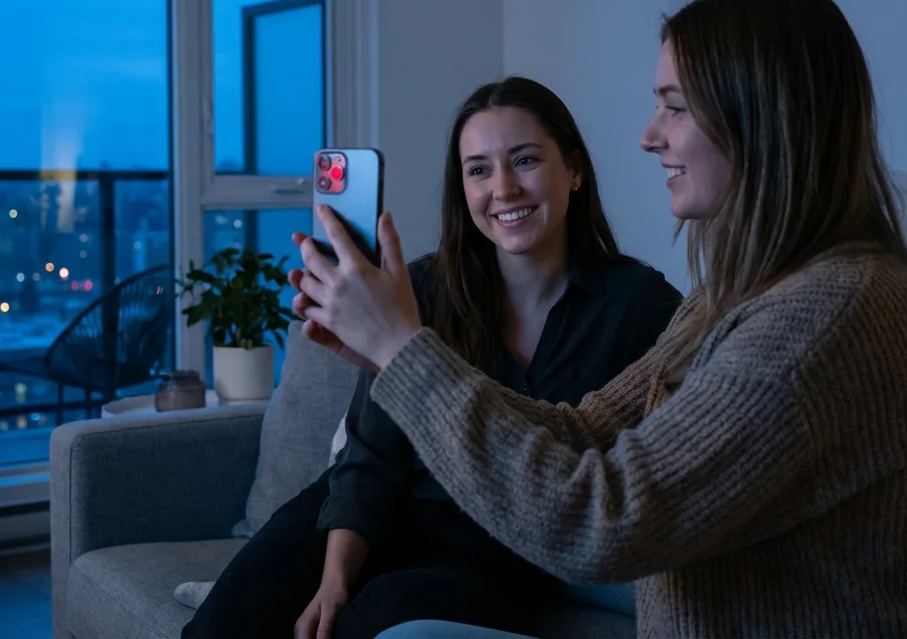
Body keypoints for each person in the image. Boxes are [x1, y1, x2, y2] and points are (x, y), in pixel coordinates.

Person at [290, 0, 907, 639]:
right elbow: (584, 428)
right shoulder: (739, 293)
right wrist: (397, 355)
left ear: (762, 116)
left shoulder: (825, 317)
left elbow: (601, 525)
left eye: (674, 107)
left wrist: (405, 355)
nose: (648, 136)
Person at [181, 75, 682, 639]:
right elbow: (370, 455)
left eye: (524, 161)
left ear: (574, 169)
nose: (504, 188)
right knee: (226, 621)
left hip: (499, 544)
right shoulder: (416, 289)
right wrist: (333, 577)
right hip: (373, 515)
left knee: (372, 618)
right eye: (479, 170)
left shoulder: (643, 306)